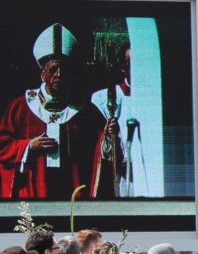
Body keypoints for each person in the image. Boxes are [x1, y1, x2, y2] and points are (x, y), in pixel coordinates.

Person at [0, 23, 124, 199]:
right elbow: (3, 145)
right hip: (33, 186)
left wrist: (107, 136)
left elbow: (100, 151)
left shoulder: (85, 110)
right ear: (42, 74)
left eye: (64, 70)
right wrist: (28, 146)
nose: (59, 75)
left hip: (71, 188)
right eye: (52, 70)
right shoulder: (21, 107)